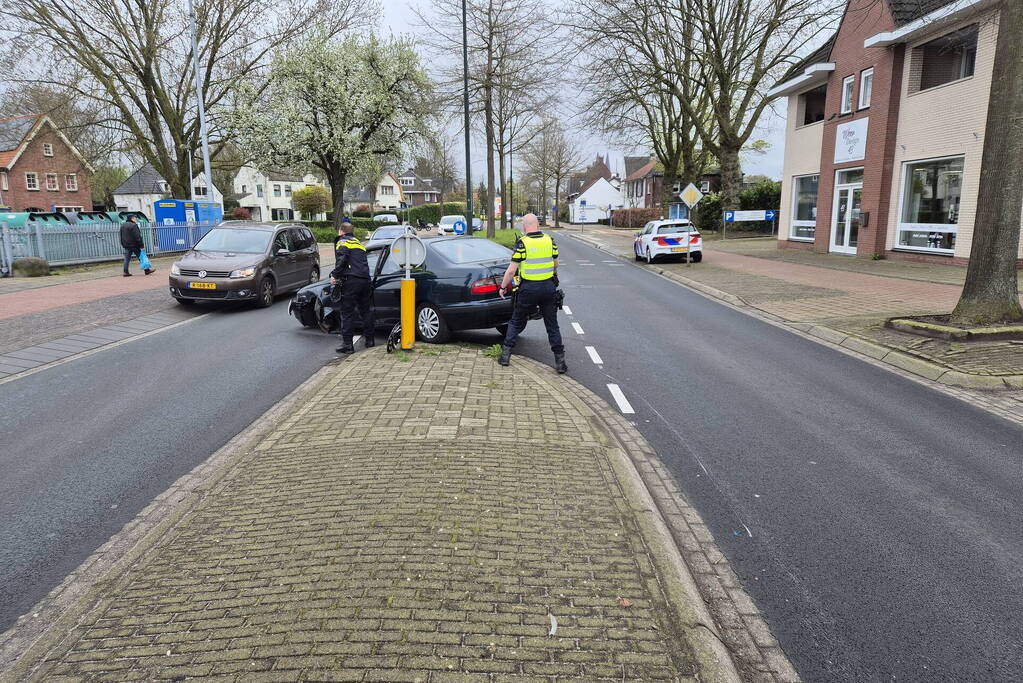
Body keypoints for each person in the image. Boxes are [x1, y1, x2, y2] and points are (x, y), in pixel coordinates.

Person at [497, 213, 566, 373]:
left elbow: (511, 270)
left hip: (528, 289)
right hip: (548, 288)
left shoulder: (522, 243)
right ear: (538, 225)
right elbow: (556, 263)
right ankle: (560, 363)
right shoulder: (550, 240)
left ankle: (505, 356)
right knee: (552, 325)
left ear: (524, 226)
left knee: (516, 321)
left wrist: (503, 287)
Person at [330, 220, 375, 354]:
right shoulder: (359, 244)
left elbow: (342, 259)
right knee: (366, 311)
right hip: (365, 280)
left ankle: (348, 345)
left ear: (341, 231)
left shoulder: (342, 242)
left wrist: (335, 275)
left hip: (351, 281)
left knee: (346, 313)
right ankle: (370, 341)